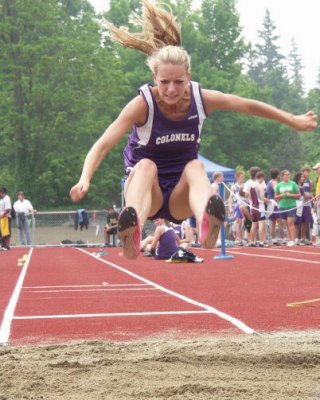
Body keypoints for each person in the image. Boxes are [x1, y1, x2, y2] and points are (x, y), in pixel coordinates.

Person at [69, 0, 317, 259]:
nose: (172, 89)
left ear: (188, 76)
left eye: (179, 81)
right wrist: (84, 178)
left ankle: (206, 223)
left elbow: (247, 106)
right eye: (165, 82)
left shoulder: (202, 99)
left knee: (196, 166)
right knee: (146, 166)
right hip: (146, 193)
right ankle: (134, 229)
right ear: (155, 79)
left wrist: (292, 119)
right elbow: (103, 144)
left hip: (180, 196)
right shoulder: (143, 104)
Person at [274, 170, 300, 247]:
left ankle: (293, 240)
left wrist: (290, 194)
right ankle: (290, 239)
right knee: (286, 223)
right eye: (286, 175)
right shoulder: (279, 185)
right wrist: (281, 196)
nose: (287, 176)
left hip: (292, 205)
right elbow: (275, 196)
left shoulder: (293, 184)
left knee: (290, 222)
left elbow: (298, 195)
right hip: (282, 206)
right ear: (282, 176)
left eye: (288, 175)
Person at [266, 168, 284, 245]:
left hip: (270, 203)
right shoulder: (275, 182)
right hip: (275, 203)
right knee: (279, 222)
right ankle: (281, 238)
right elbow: (277, 192)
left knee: (272, 222)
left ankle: (273, 239)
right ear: (277, 175)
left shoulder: (269, 182)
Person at [313, 162, 320, 246]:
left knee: (319, 220)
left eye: (317, 169)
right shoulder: (318, 178)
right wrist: (316, 200)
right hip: (318, 200)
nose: (316, 171)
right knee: (318, 220)